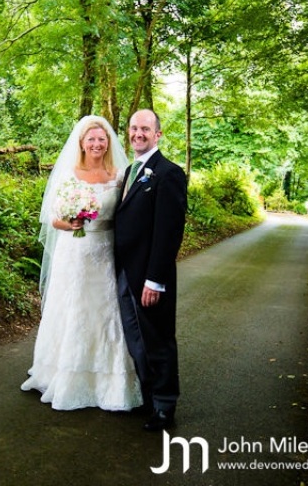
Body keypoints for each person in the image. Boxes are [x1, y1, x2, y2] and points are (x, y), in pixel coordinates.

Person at [21, 115, 143, 411]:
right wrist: (72, 222)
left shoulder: (119, 175)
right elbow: (53, 219)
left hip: (107, 251)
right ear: (81, 143)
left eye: (102, 139)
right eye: (91, 139)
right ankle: (63, 374)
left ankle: (111, 382)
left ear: (108, 142)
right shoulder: (69, 174)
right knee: (74, 308)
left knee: (106, 311)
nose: (97, 144)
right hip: (73, 254)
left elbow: (129, 214)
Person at [115, 109, 187, 431]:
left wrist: (155, 280)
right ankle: (147, 396)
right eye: (133, 128)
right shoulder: (132, 170)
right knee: (136, 339)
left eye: (145, 128)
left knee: (157, 340)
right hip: (124, 272)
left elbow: (169, 232)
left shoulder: (168, 173)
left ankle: (164, 405)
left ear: (157, 134)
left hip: (148, 276)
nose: (137, 133)